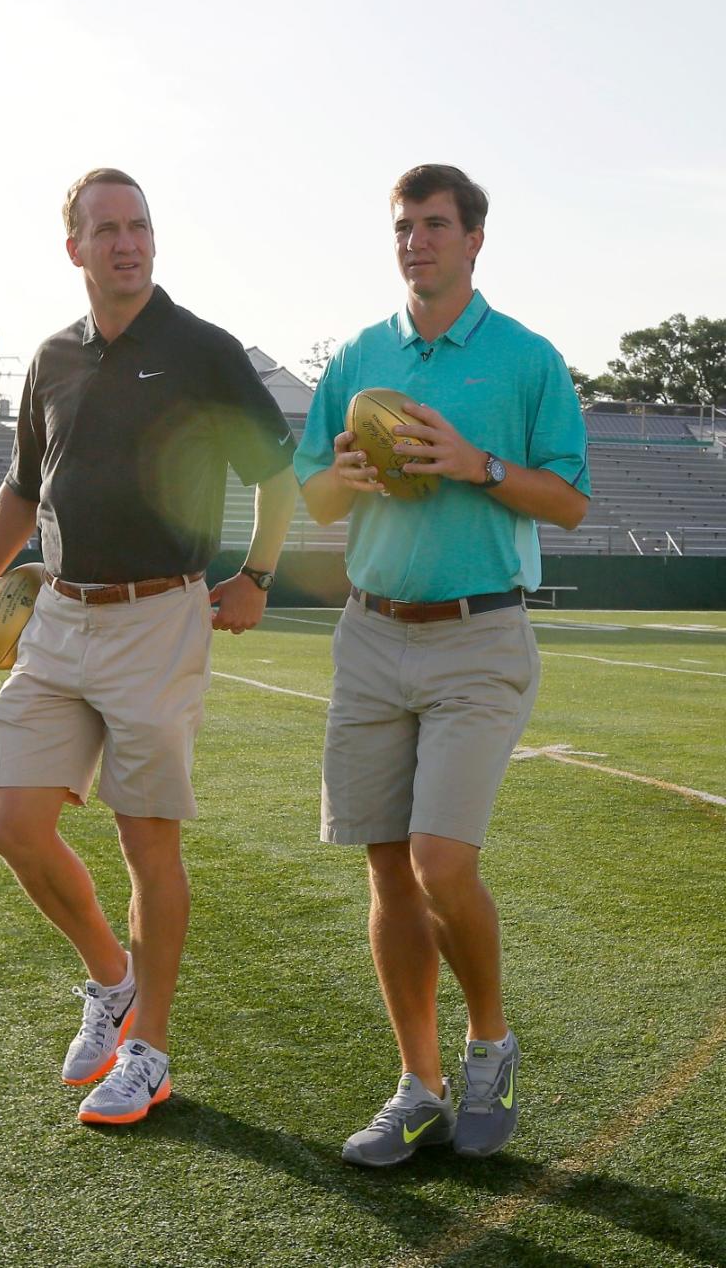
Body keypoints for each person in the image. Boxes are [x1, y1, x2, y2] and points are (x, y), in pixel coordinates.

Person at [0, 168, 297, 1126]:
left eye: (139, 225)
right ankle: (111, 982)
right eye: (105, 229)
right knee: (11, 823)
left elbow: (277, 476)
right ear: (74, 248)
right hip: (59, 613)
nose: (126, 242)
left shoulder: (203, 349)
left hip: (159, 616)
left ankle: (148, 1046)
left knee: (146, 841)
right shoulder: (51, 357)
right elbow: (25, 486)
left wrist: (257, 576)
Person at [293, 164, 589, 1164]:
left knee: (439, 862)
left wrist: (477, 465)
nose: (416, 241)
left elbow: (571, 500)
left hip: (479, 634)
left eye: (434, 225)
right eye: (403, 227)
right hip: (371, 633)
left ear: (473, 240)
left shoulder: (526, 359)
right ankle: (416, 1086)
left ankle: (489, 1043)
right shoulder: (359, 358)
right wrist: (340, 474)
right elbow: (313, 498)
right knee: (386, 867)